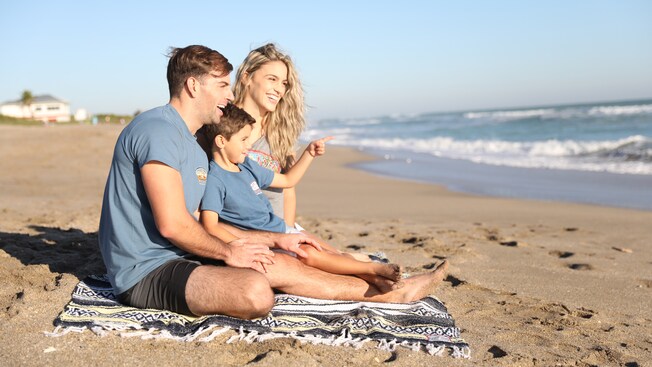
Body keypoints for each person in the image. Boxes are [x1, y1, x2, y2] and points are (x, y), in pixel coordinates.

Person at [99, 44, 449, 320]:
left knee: (273, 260)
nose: (227, 95)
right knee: (255, 293)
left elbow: (201, 222)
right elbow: (174, 225)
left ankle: (387, 294)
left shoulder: (192, 141)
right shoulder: (157, 131)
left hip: (179, 254)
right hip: (144, 270)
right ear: (193, 85)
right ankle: (382, 289)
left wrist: (275, 237)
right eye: (221, 85)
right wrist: (229, 251)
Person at [197, 104, 403, 292]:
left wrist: (309, 154)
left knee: (335, 255)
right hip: (269, 242)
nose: (247, 146)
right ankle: (374, 269)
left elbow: (287, 180)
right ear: (221, 141)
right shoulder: (215, 180)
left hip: (284, 230)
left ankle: (373, 278)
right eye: (243, 140)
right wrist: (243, 245)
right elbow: (211, 226)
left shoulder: (246, 165)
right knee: (311, 255)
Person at [232, 43, 303, 227]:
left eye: (284, 83)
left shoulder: (281, 132)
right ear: (247, 77)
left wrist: (287, 235)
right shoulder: (221, 124)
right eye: (272, 79)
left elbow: (288, 191)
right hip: (237, 233)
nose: (279, 89)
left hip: (277, 230)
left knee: (318, 253)